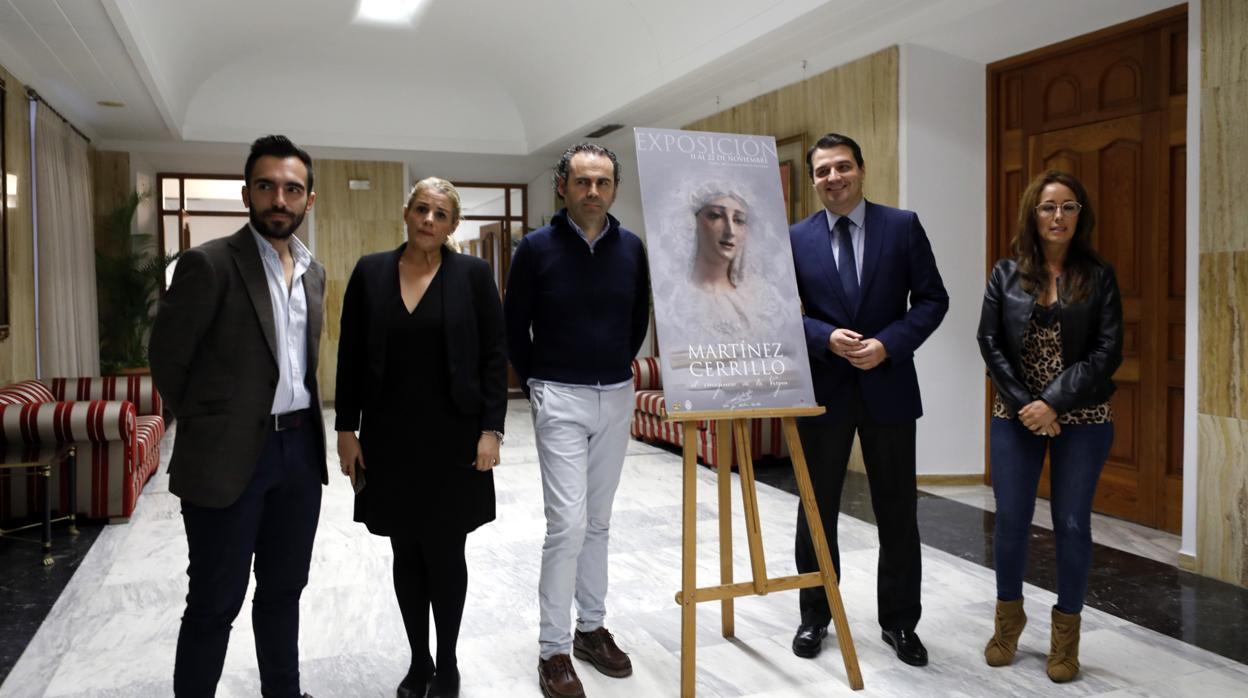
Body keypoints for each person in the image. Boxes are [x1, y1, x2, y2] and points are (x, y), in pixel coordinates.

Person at [150, 134, 326, 698]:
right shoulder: (208, 264)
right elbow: (167, 361)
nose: (280, 198)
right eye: (268, 186)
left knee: (283, 590)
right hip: (227, 460)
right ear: (246, 192)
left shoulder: (313, 272)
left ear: (308, 199)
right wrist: (211, 425)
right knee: (214, 600)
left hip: (298, 452)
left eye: (292, 189)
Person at [335, 177, 506, 698]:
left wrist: (490, 429)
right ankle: (418, 661)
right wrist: (346, 428)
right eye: (421, 209)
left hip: (454, 440)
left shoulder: (473, 276)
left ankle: (448, 663)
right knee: (405, 553)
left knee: (446, 553)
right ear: (405, 213)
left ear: (453, 225)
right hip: (388, 438)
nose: (429, 220)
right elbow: (349, 355)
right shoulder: (371, 272)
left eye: (440, 214)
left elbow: (494, 357)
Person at [788, 132, 948, 666]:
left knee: (898, 512)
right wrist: (823, 338)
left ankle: (901, 624)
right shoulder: (794, 238)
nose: (833, 178)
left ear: (861, 169)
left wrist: (888, 345)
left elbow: (932, 299)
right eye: (822, 171)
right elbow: (784, 310)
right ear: (813, 180)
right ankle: (815, 617)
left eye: (842, 167)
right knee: (816, 510)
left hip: (890, 389)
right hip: (823, 392)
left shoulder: (902, 227)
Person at [504, 143, 650, 698]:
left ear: (614, 188)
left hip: (615, 394)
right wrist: (540, 379)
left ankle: (591, 629)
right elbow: (514, 325)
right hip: (558, 395)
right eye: (584, 182)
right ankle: (553, 649)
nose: (594, 192)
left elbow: (639, 317)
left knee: (600, 522)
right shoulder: (535, 248)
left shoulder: (632, 248)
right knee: (566, 524)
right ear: (562, 187)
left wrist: (612, 364)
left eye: (604, 183)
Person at [977, 170, 1122, 683]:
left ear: (1080, 215)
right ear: (1032, 214)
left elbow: (1108, 352)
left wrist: (1053, 403)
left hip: (1082, 416)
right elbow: (989, 342)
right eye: (1047, 207)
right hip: (1015, 415)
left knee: (1072, 523)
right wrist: (1026, 405)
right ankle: (1007, 627)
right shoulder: (1006, 273)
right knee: (1011, 520)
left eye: (1068, 207)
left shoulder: (1098, 276)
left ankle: (1066, 641)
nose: (1057, 216)